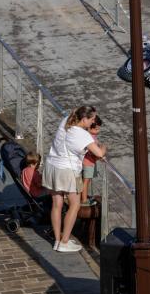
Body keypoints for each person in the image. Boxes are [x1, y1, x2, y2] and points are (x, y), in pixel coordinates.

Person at [43, 106, 106, 253]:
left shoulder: (66, 121)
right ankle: (64, 242)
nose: (92, 123)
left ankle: (57, 240)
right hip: (68, 171)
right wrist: (103, 146)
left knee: (57, 204)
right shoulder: (83, 135)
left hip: (52, 166)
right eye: (91, 119)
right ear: (84, 119)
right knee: (75, 204)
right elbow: (99, 154)